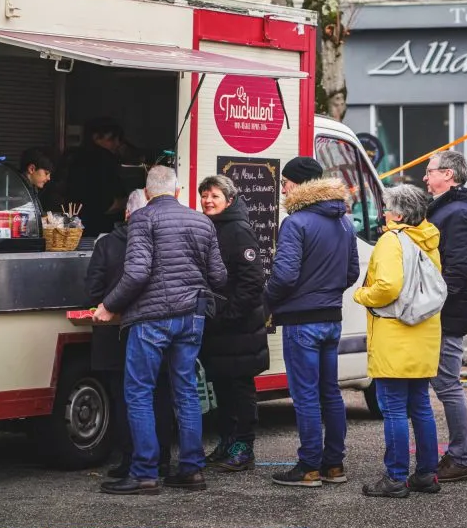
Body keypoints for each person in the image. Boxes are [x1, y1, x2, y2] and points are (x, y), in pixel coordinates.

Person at [94, 166, 227, 495]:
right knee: (186, 391)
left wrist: (109, 305)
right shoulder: (202, 222)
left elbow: (137, 273)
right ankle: (192, 470)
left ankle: (144, 473)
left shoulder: (142, 218)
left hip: (152, 318)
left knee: (139, 392)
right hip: (192, 316)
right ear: (178, 191)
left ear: (147, 192)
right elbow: (219, 276)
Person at [265, 157, 360, 488]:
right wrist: (327, 291)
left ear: (298, 184)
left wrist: (267, 300)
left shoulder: (296, 222)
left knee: (305, 395)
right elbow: (352, 272)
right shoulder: (344, 221)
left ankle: (308, 466)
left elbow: (284, 276)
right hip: (331, 318)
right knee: (330, 392)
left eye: (285, 183)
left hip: (301, 320)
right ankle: (334, 465)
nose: (282, 189)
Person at [354, 185, 443, 499]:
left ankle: (395, 476)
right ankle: (427, 473)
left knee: (393, 409)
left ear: (400, 215)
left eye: (388, 209)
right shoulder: (428, 239)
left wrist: (362, 295)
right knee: (421, 406)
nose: (384, 214)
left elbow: (388, 286)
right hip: (424, 334)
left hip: (395, 335)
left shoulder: (391, 240)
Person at [85, 190, 175, 479]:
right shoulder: (165, 241)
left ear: (126, 213)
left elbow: (93, 290)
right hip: (158, 329)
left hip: (114, 335)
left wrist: (110, 306)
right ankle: (162, 458)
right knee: (160, 395)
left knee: (126, 398)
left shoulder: (106, 244)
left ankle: (130, 459)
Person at [198, 175, 269, 472]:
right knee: (222, 387)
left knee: (240, 388)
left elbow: (253, 281)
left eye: (214, 196)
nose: (208, 201)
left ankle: (244, 447)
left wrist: (228, 315)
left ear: (229, 200)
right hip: (218, 328)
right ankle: (227, 441)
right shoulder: (210, 227)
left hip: (239, 328)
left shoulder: (238, 230)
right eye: (204, 196)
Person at [424, 150, 467, 482]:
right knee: (443, 383)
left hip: (446, 311)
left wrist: (430, 302)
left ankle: (461, 457)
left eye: (430, 171)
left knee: (447, 384)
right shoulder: (449, 208)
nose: (425, 177)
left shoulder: (458, 212)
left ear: (448, 174)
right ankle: (456, 454)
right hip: (442, 308)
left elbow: (459, 268)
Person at [67, 118, 128, 236]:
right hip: (101, 228)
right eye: (111, 139)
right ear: (96, 137)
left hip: (76, 225)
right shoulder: (103, 159)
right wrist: (128, 201)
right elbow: (106, 204)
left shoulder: (73, 157)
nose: (117, 144)